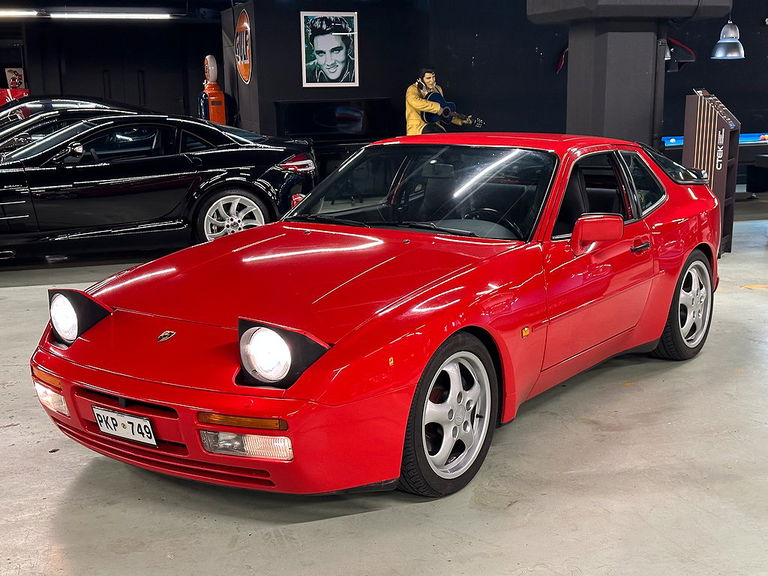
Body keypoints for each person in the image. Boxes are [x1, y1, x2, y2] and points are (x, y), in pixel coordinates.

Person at [405, 67, 474, 135]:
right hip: (419, 129)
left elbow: (444, 111)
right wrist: (437, 108)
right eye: (428, 78)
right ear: (421, 79)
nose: (432, 80)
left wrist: (460, 120)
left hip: (434, 127)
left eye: (433, 77)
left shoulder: (437, 89)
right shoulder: (413, 89)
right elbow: (416, 102)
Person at [305, 16, 355, 83]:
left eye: (336, 51)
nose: (329, 62)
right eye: (321, 53)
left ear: (349, 48)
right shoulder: (306, 72)